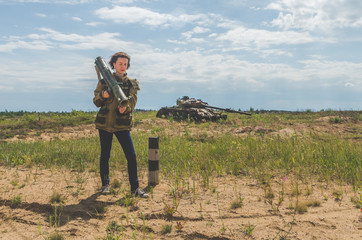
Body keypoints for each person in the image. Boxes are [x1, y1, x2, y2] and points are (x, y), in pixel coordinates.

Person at [93, 51, 148, 198]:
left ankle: (135, 189)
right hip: (105, 125)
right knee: (105, 155)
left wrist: (126, 108)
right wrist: (102, 96)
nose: (123, 66)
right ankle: (105, 186)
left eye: (125, 64)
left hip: (121, 125)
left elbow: (132, 103)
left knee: (131, 156)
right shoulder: (104, 81)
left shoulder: (131, 83)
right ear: (113, 64)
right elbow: (96, 102)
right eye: (120, 64)